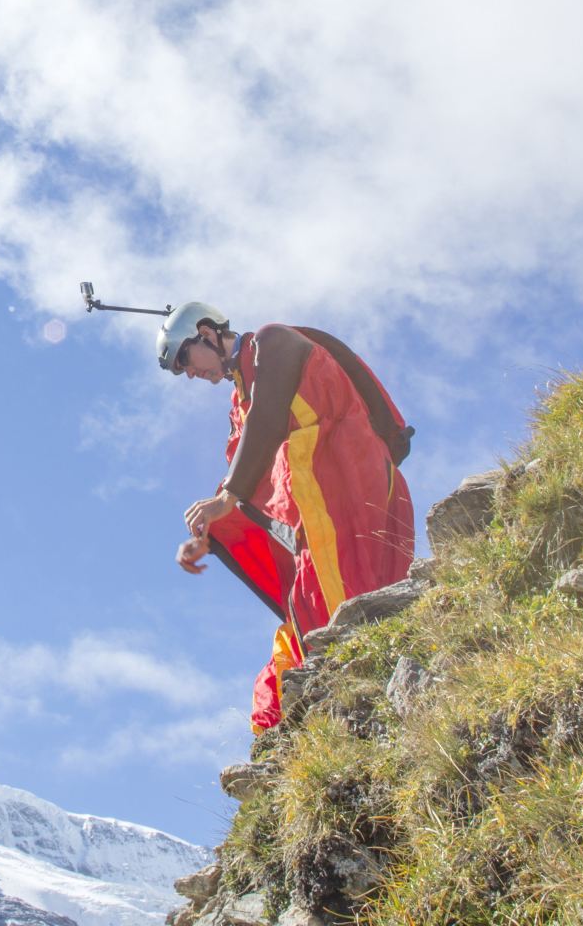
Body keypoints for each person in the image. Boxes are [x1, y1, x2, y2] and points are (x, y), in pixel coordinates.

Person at [159, 303, 415, 732]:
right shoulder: (240, 402)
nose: (188, 373)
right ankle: (348, 720)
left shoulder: (274, 342)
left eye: (184, 358)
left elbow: (269, 420)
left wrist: (225, 499)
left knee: (355, 604)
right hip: (315, 520)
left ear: (206, 332)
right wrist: (213, 528)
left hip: (351, 487)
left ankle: (380, 700)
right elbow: (248, 470)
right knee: (316, 615)